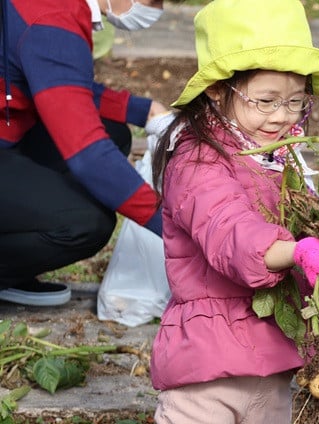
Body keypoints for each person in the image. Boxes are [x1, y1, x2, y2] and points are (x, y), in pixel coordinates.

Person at [147, 0, 319, 424]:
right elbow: (229, 232)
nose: (282, 116)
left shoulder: (286, 159)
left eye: (296, 100)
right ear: (220, 90)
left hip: (275, 360)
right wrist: (298, 253)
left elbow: (315, 231)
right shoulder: (196, 160)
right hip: (206, 367)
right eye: (265, 100)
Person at [0, 0, 182, 307]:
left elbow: (57, 79)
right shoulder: (52, 19)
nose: (156, 9)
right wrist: (173, 225)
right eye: (153, 1)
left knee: (115, 132)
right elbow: (89, 155)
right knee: (86, 224)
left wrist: (143, 110)